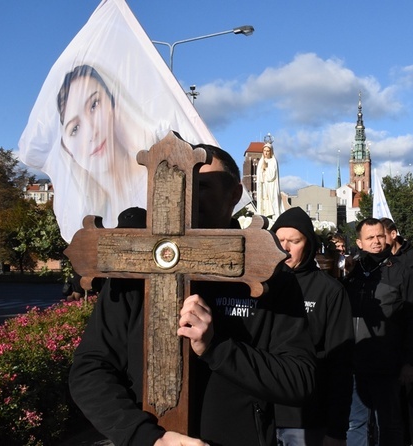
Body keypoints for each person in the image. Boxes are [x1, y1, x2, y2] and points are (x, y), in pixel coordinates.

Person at [69, 144, 317, 446]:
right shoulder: (132, 268)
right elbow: (89, 370)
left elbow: (298, 380)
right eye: (181, 183)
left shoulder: (270, 272)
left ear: (235, 194)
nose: (189, 195)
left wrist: (217, 347)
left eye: (203, 185)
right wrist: (146, 437)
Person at [271, 207, 354, 446]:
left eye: (294, 241)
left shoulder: (329, 291)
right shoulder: (260, 285)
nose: (285, 247)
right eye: (280, 240)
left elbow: (341, 362)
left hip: (309, 419)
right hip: (263, 415)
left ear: (309, 245)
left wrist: (337, 429)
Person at [344, 218, 413, 446]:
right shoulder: (353, 273)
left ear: (388, 236)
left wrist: (411, 360)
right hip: (354, 365)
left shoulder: (403, 273)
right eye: (370, 237)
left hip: (388, 365)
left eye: (380, 235)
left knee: (389, 424)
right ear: (360, 243)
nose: (377, 241)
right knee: (355, 423)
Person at [55, 64, 149, 238]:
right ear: (67, 149)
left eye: (94, 105)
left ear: (113, 104)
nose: (91, 132)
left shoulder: (154, 184)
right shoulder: (89, 211)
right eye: (74, 128)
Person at [256, 142, 284, 219]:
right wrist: (262, 171)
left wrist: (266, 168)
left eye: (268, 151)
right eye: (264, 150)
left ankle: (275, 217)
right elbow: (259, 175)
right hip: (263, 185)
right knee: (263, 202)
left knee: (272, 202)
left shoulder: (273, 161)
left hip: (271, 185)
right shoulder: (261, 161)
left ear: (271, 152)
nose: (266, 152)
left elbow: (271, 176)